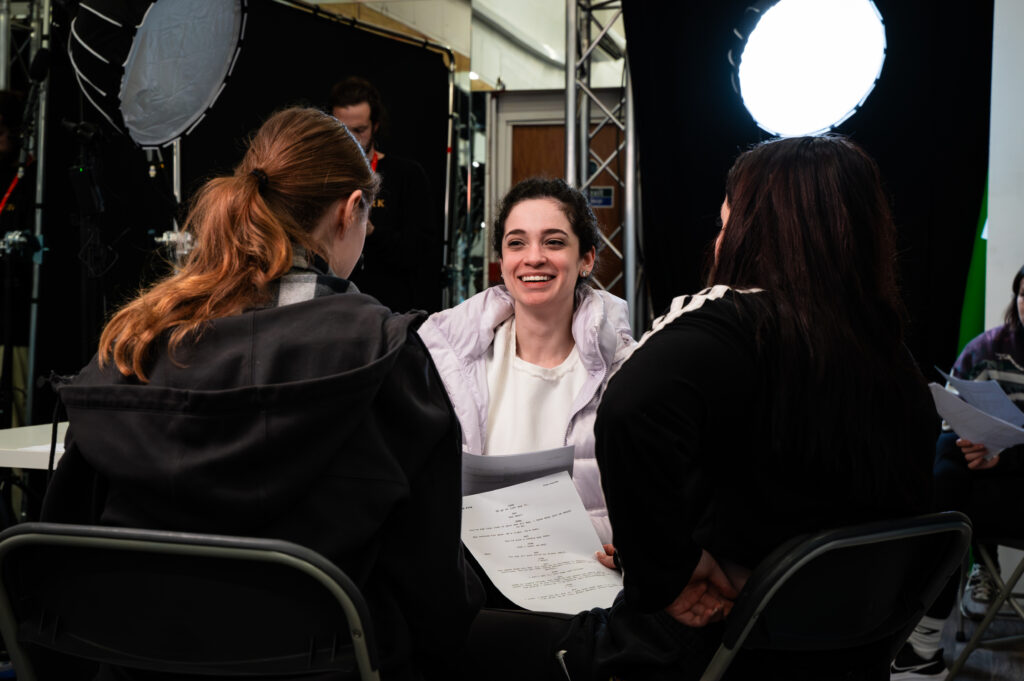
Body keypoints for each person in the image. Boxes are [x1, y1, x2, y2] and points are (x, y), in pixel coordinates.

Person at [39, 107, 483, 681]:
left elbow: (66, 564)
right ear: (350, 211)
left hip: (135, 664)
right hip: (327, 666)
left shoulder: (134, 343)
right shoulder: (385, 352)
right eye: (368, 217)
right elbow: (434, 595)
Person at [525, 134, 934, 681]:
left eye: (726, 226)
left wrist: (671, 572)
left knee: (468, 637)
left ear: (760, 235)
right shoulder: (892, 355)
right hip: (850, 650)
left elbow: (629, 409)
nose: (718, 243)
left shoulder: (734, 322)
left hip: (714, 644)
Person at [417, 177, 636, 549]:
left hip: (587, 589)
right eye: (516, 243)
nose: (533, 257)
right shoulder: (446, 361)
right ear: (502, 263)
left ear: (586, 259)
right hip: (474, 589)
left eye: (554, 242)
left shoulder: (628, 372)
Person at [893, 263, 1024, 680]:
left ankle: (924, 636)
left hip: (1017, 475)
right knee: (946, 464)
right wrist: (973, 440)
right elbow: (953, 408)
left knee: (958, 512)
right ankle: (923, 644)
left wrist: (1005, 459)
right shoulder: (988, 347)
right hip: (980, 465)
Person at [329, 76, 442, 313]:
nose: (351, 139)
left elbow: (422, 251)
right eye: (342, 130)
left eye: (359, 130)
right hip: (334, 309)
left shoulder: (406, 174)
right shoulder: (322, 175)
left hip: (390, 310)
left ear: (375, 125)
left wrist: (372, 232)